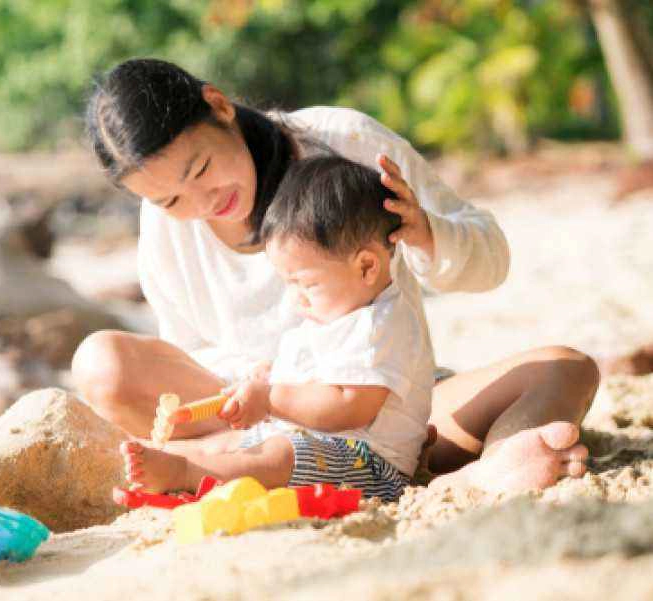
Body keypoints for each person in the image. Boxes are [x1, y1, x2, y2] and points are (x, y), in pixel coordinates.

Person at [76, 58, 598, 494]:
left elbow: (491, 258)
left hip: (391, 410)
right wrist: (274, 391)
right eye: (170, 199)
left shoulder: (340, 139)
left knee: (565, 369)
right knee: (103, 363)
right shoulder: (164, 227)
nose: (203, 202)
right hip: (259, 417)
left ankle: (494, 468)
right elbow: (186, 355)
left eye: (200, 170)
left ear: (219, 106)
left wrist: (427, 233)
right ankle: (233, 461)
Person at [121, 155, 433, 501]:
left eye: (306, 284)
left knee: (279, 455)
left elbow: (350, 406)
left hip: (372, 466)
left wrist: (271, 399)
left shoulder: (380, 323)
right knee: (230, 443)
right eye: (289, 283)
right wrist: (267, 379)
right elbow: (314, 376)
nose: (296, 299)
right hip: (316, 444)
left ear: (366, 266)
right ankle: (173, 464)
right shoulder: (335, 312)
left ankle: (187, 473)